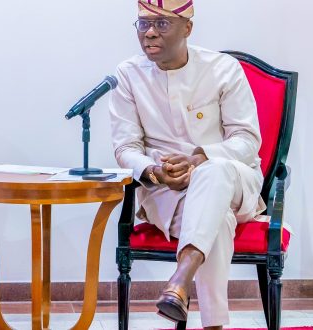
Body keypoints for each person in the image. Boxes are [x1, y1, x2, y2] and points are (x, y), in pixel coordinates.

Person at [109, 1, 265, 328]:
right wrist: (154, 172)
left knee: (215, 170)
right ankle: (210, 321)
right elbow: (125, 147)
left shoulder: (223, 69)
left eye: (162, 24)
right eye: (142, 24)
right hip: (169, 194)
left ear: (187, 29)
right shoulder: (129, 74)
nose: (149, 32)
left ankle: (181, 275)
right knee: (215, 221)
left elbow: (248, 141)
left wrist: (201, 157)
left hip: (235, 182)